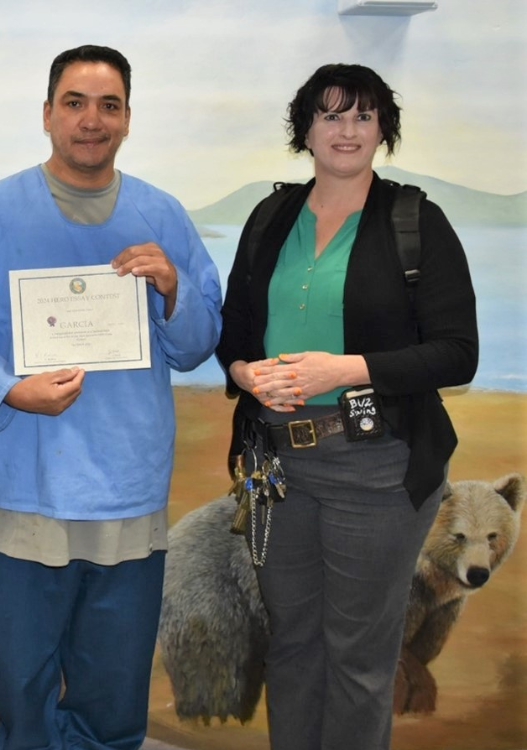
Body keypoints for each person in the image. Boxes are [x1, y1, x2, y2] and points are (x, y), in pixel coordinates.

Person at [0, 45, 222, 749]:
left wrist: (173, 288)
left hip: (127, 491)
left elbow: (198, 343)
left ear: (127, 119)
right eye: (76, 103)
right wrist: (10, 390)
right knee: (22, 692)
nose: (92, 120)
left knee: (112, 697)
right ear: (48, 114)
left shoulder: (162, 215)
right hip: (23, 490)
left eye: (108, 105)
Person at [215, 64, 478, 750]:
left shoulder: (415, 220)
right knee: (292, 645)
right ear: (304, 129)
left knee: (359, 659)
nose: (347, 130)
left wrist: (348, 369)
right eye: (330, 115)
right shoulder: (270, 217)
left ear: (383, 129)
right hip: (277, 467)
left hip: (377, 468)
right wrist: (246, 374)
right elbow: (234, 330)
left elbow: (458, 353)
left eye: (363, 115)